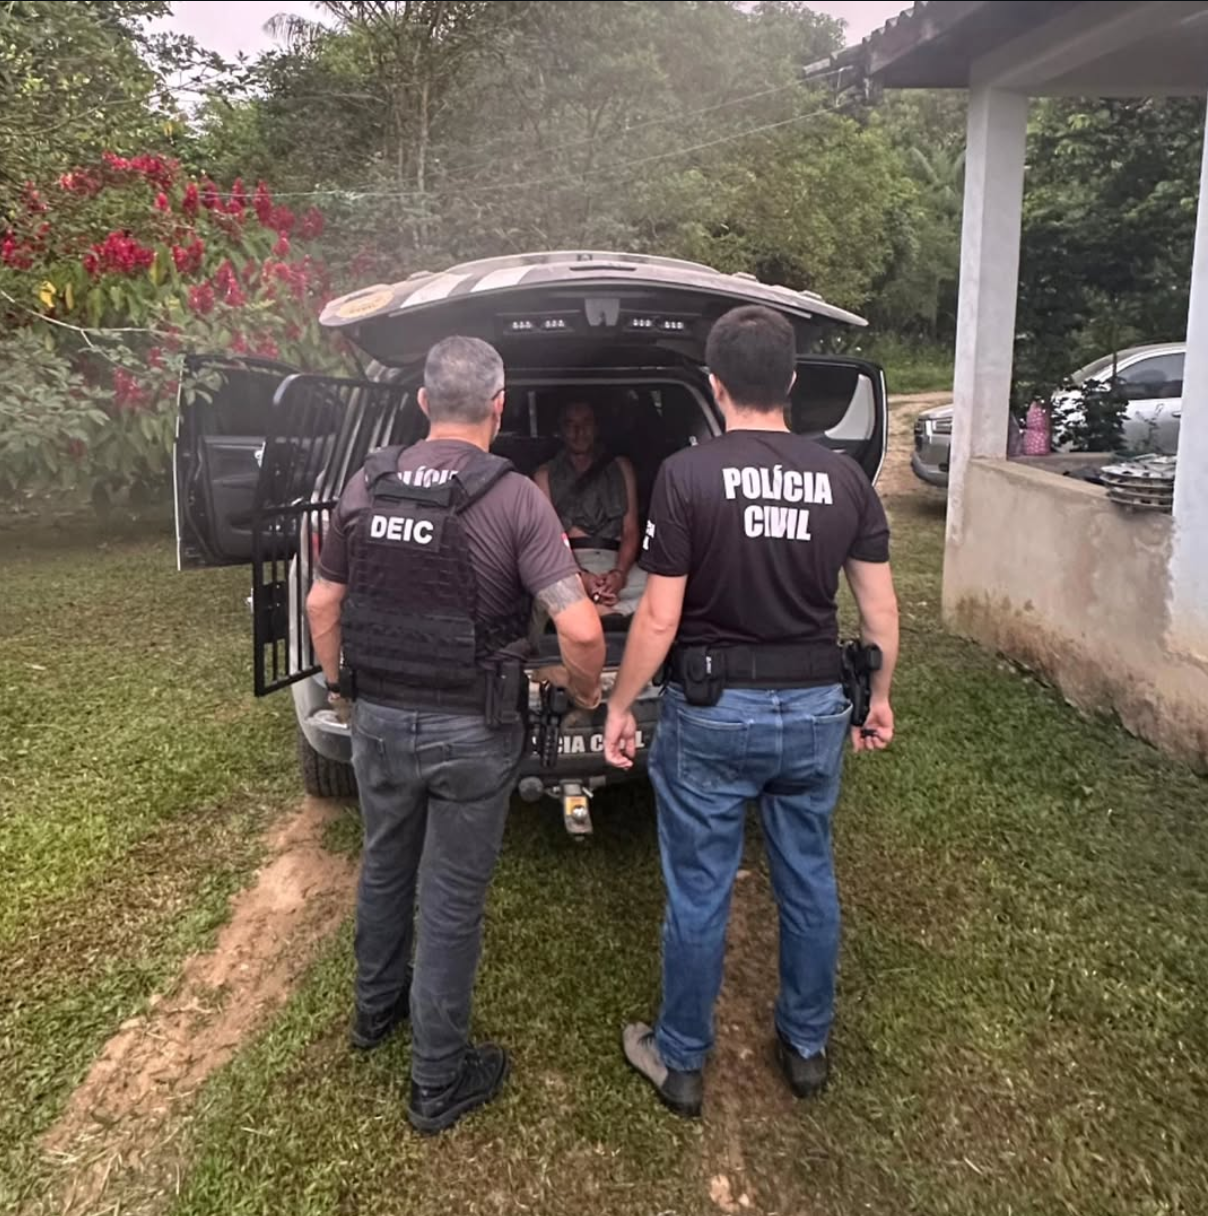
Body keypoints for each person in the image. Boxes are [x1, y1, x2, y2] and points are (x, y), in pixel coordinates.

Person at [603, 305, 899, 1118]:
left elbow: (658, 618)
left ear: (715, 384)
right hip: (814, 712)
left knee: (700, 889)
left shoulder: (686, 476)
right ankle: (806, 1047)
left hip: (712, 711)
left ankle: (681, 1060)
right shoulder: (844, 478)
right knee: (807, 875)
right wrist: (877, 699)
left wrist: (621, 703)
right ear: (792, 382)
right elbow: (879, 612)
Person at [306, 335, 605, 1135]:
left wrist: (340, 688)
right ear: (499, 408)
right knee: (449, 901)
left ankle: (374, 1014)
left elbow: (321, 604)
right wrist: (582, 695)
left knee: (384, 866)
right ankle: (437, 1080)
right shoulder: (516, 499)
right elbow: (581, 630)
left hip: (378, 721)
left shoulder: (367, 483)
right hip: (473, 730)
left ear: (422, 403)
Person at [534, 399, 645, 618]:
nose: (579, 432)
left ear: (596, 427)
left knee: (664, 588)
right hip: (568, 564)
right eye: (571, 425)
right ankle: (611, 612)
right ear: (561, 431)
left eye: (586, 423)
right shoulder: (544, 475)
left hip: (617, 560)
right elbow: (551, 539)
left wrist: (619, 575)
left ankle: (600, 612)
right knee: (540, 594)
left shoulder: (621, 467)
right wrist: (581, 577)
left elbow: (631, 530)